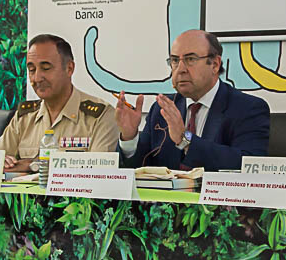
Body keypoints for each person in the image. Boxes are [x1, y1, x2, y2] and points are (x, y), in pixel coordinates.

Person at [116, 30, 270, 171]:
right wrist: (129, 138)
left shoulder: (248, 108)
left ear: (215, 64)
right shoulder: (162, 109)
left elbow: (249, 165)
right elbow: (140, 169)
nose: (180, 69)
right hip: (165, 201)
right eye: (175, 60)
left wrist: (185, 140)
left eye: (190, 59)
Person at [0, 34, 118, 172]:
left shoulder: (101, 115)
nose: (37, 78)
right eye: (31, 70)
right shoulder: (25, 117)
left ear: (69, 68)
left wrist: (31, 166)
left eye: (46, 68)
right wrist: (0, 162)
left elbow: (98, 172)